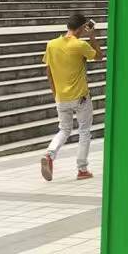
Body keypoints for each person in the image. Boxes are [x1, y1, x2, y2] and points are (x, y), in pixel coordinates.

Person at [41, 12, 102, 182]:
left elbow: (48, 72)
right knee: (84, 131)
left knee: (64, 129)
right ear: (82, 28)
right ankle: (82, 169)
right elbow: (99, 56)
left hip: (61, 97)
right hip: (80, 97)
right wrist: (92, 36)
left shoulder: (51, 45)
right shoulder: (80, 45)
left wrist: (55, 93)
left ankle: (49, 154)